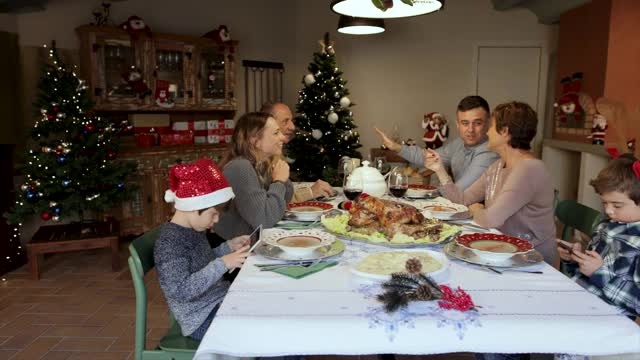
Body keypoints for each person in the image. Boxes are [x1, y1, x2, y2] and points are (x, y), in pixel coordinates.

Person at [425, 101, 557, 267]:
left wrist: (477, 209)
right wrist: (439, 169)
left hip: (531, 260)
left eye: (491, 126)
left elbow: (489, 219)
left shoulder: (529, 168)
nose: (487, 131)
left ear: (505, 132)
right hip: (501, 251)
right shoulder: (498, 165)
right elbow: (462, 199)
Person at [154, 157, 251, 341]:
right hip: (200, 318)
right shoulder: (170, 243)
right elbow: (181, 290)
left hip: (219, 301)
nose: (215, 220)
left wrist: (228, 247)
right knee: (264, 330)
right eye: (213, 214)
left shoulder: (193, 228)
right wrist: (223, 263)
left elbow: (202, 261)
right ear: (193, 207)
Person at [558, 154, 640, 320]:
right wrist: (575, 260)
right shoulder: (606, 225)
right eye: (605, 203)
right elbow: (586, 273)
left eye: (617, 205)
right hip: (577, 300)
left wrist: (598, 272)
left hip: (607, 319)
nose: (609, 211)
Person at [375, 95, 499, 190]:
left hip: (478, 215)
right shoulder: (459, 143)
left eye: (477, 123)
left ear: (488, 123)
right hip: (459, 206)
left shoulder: (489, 151)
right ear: (458, 124)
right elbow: (428, 156)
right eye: (465, 123)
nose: (470, 130)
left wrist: (433, 191)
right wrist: (395, 147)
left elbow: (461, 190)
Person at [215, 111, 294, 240]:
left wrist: (280, 175)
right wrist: (279, 181)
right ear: (255, 141)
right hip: (233, 249)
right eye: (275, 133)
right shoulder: (240, 167)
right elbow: (265, 219)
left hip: (252, 243)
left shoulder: (262, 163)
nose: (283, 138)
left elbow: (284, 201)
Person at [261, 102, 335, 200]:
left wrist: (310, 190)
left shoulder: (275, 153)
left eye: (291, 120)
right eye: (285, 121)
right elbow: (271, 203)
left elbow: (283, 195)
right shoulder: (258, 158)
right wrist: (310, 192)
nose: (292, 127)